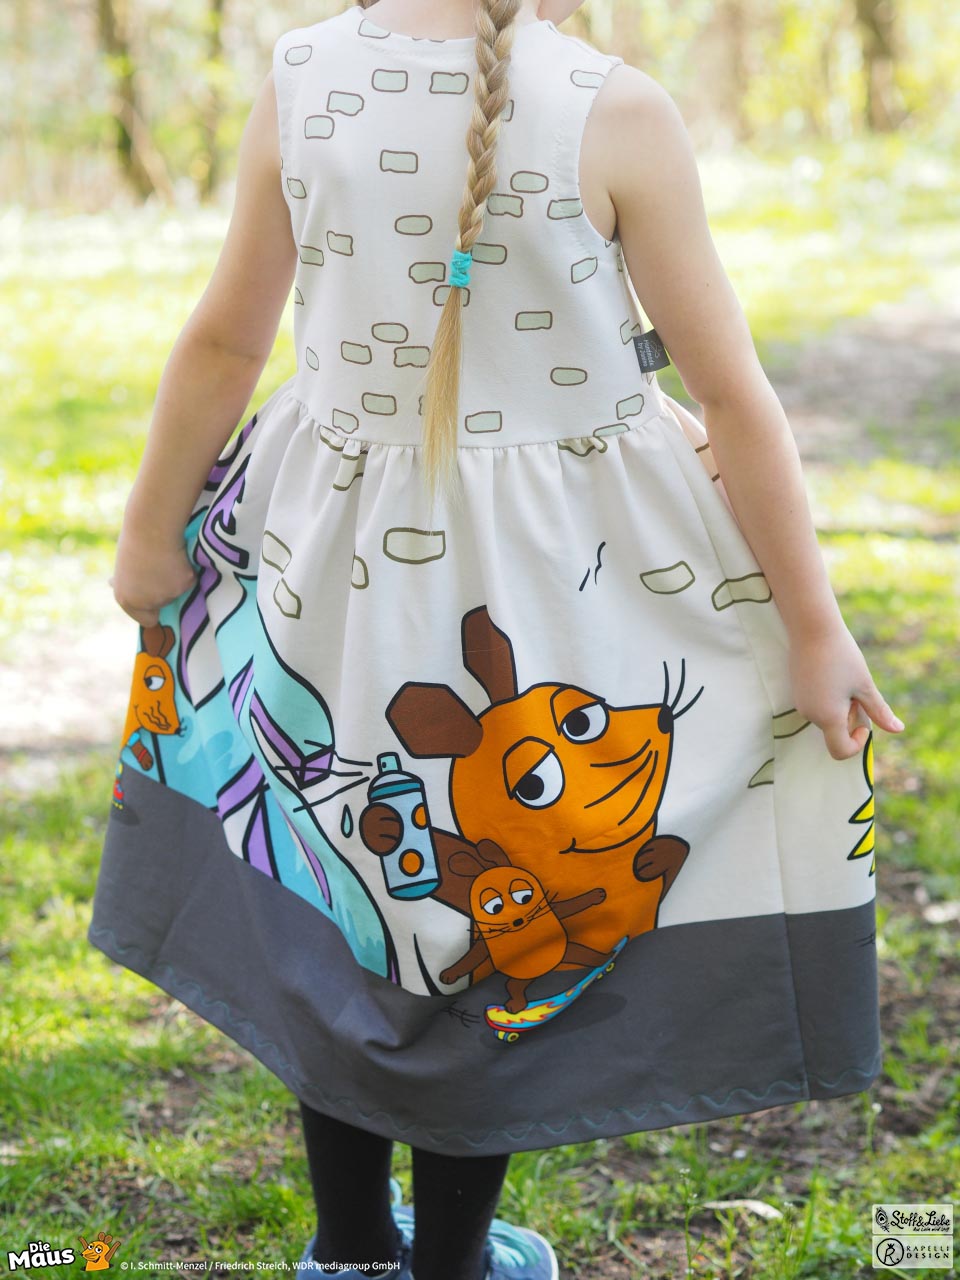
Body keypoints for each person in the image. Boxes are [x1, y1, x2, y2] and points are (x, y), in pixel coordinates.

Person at [88, 0, 905, 1277]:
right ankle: (452, 1258)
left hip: (336, 559)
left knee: (358, 892)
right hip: (555, 577)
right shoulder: (613, 108)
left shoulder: (305, 74)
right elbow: (730, 392)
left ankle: (353, 1246)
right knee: (512, 907)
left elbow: (226, 338)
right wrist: (812, 626)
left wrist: (152, 530)